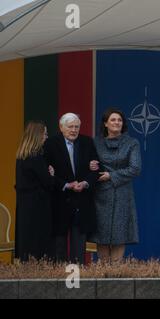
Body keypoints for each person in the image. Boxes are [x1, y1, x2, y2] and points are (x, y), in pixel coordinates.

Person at [44, 113, 99, 264]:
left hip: (81, 202)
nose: (74, 130)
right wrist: (67, 185)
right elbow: (48, 173)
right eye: (70, 127)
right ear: (61, 127)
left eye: (77, 127)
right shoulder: (50, 144)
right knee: (58, 248)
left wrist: (85, 183)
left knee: (78, 250)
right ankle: (60, 282)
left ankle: (76, 282)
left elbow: (95, 169)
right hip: (59, 201)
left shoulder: (87, 142)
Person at [89, 108, 141, 263]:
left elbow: (135, 168)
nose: (117, 122)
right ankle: (104, 272)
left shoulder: (132, 143)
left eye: (119, 120)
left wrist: (112, 175)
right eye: (113, 120)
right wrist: (90, 165)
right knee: (101, 236)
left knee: (120, 235)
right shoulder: (95, 142)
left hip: (122, 194)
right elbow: (88, 163)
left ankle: (116, 273)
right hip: (100, 195)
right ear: (105, 123)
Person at [15, 121, 54, 262]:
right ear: (38, 136)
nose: (46, 137)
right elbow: (48, 182)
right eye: (45, 134)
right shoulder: (36, 157)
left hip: (24, 206)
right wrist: (51, 174)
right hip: (38, 207)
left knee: (26, 243)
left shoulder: (21, 156)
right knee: (37, 245)